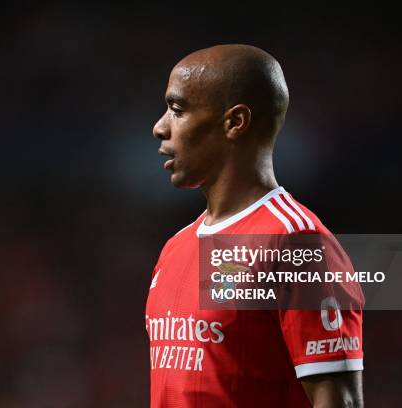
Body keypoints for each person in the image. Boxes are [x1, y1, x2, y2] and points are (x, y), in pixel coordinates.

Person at [146, 44, 364, 407]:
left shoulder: (296, 244)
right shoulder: (175, 248)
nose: (159, 127)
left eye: (177, 110)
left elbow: (338, 401)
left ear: (235, 122)